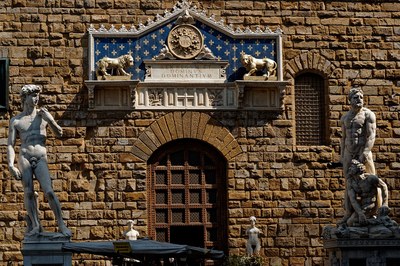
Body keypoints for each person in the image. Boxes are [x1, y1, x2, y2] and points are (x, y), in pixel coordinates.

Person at [7, 84, 72, 237]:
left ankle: (61, 225)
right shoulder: (16, 121)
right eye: (33, 96)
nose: (36, 99)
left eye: (37, 96)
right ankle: (36, 225)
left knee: (49, 191)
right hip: (25, 157)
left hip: (41, 157)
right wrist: (10, 165)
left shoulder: (43, 116)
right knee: (29, 192)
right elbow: (10, 144)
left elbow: (59, 133)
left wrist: (50, 120)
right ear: (25, 98)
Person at [339, 87, 377, 223]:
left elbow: (371, 136)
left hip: (363, 151)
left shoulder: (368, 115)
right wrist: (342, 156)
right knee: (349, 183)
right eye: (356, 97)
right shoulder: (345, 118)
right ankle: (349, 213)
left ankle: (374, 211)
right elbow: (343, 138)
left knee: (372, 180)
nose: (359, 100)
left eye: (361, 97)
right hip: (349, 152)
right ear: (350, 100)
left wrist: (365, 153)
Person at [343, 160, 389, 227]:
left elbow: (383, 186)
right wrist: (360, 213)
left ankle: (374, 222)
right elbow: (353, 200)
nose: (350, 168)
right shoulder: (350, 182)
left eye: (352, 167)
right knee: (350, 222)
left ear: (359, 168)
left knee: (351, 222)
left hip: (371, 204)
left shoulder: (370, 178)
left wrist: (385, 203)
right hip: (361, 206)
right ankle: (374, 221)